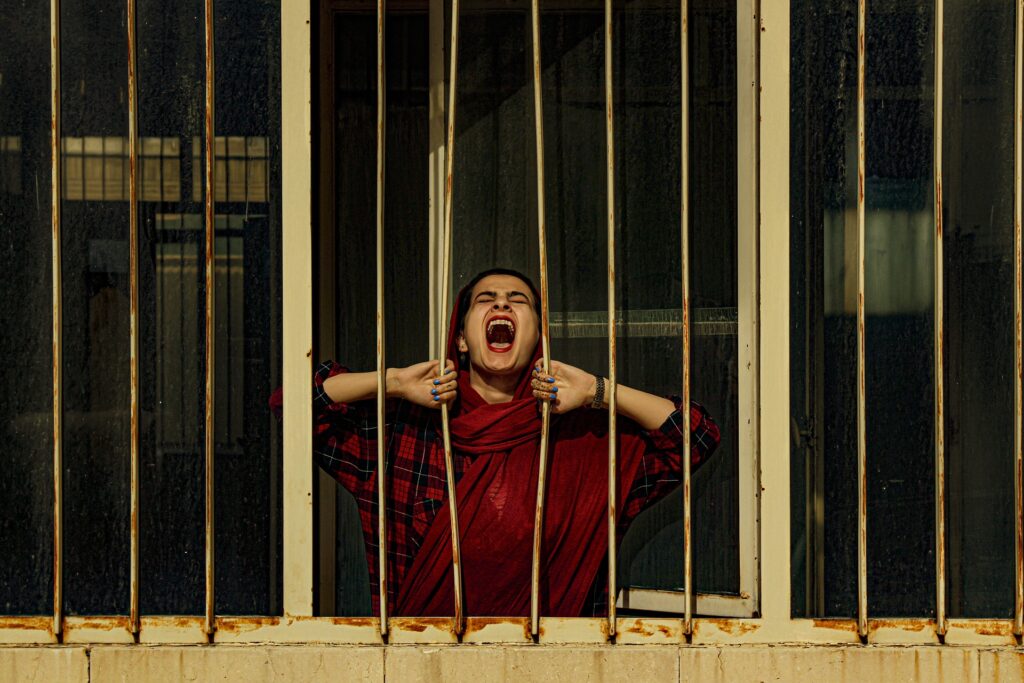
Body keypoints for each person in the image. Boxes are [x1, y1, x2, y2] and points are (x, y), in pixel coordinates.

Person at [308, 267, 719, 617]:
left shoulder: (582, 437)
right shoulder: (402, 434)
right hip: (424, 664)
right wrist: (393, 382)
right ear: (462, 339)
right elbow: (297, 404)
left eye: (518, 301)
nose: (502, 305)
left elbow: (695, 436)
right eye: (486, 299)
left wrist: (600, 391)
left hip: (552, 667)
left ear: (539, 338)